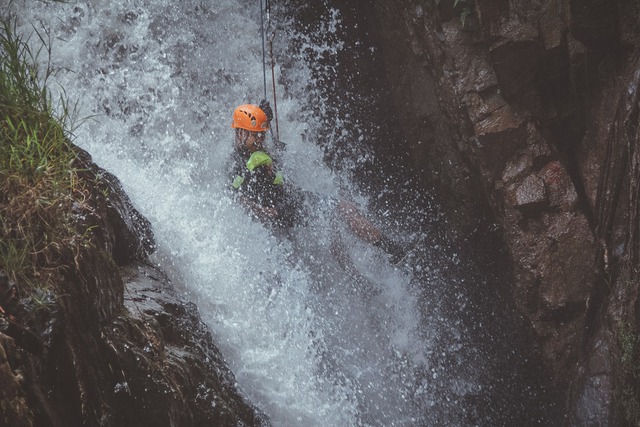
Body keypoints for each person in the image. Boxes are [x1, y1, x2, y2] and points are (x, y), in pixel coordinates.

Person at [227, 102, 407, 263]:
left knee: (331, 226)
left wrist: (264, 117)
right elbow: (235, 197)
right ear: (241, 132)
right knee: (344, 209)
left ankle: (356, 277)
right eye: (255, 135)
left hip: (289, 199)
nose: (260, 140)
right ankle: (392, 250)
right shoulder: (237, 164)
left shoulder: (256, 151)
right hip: (281, 208)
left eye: (261, 135)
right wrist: (265, 212)